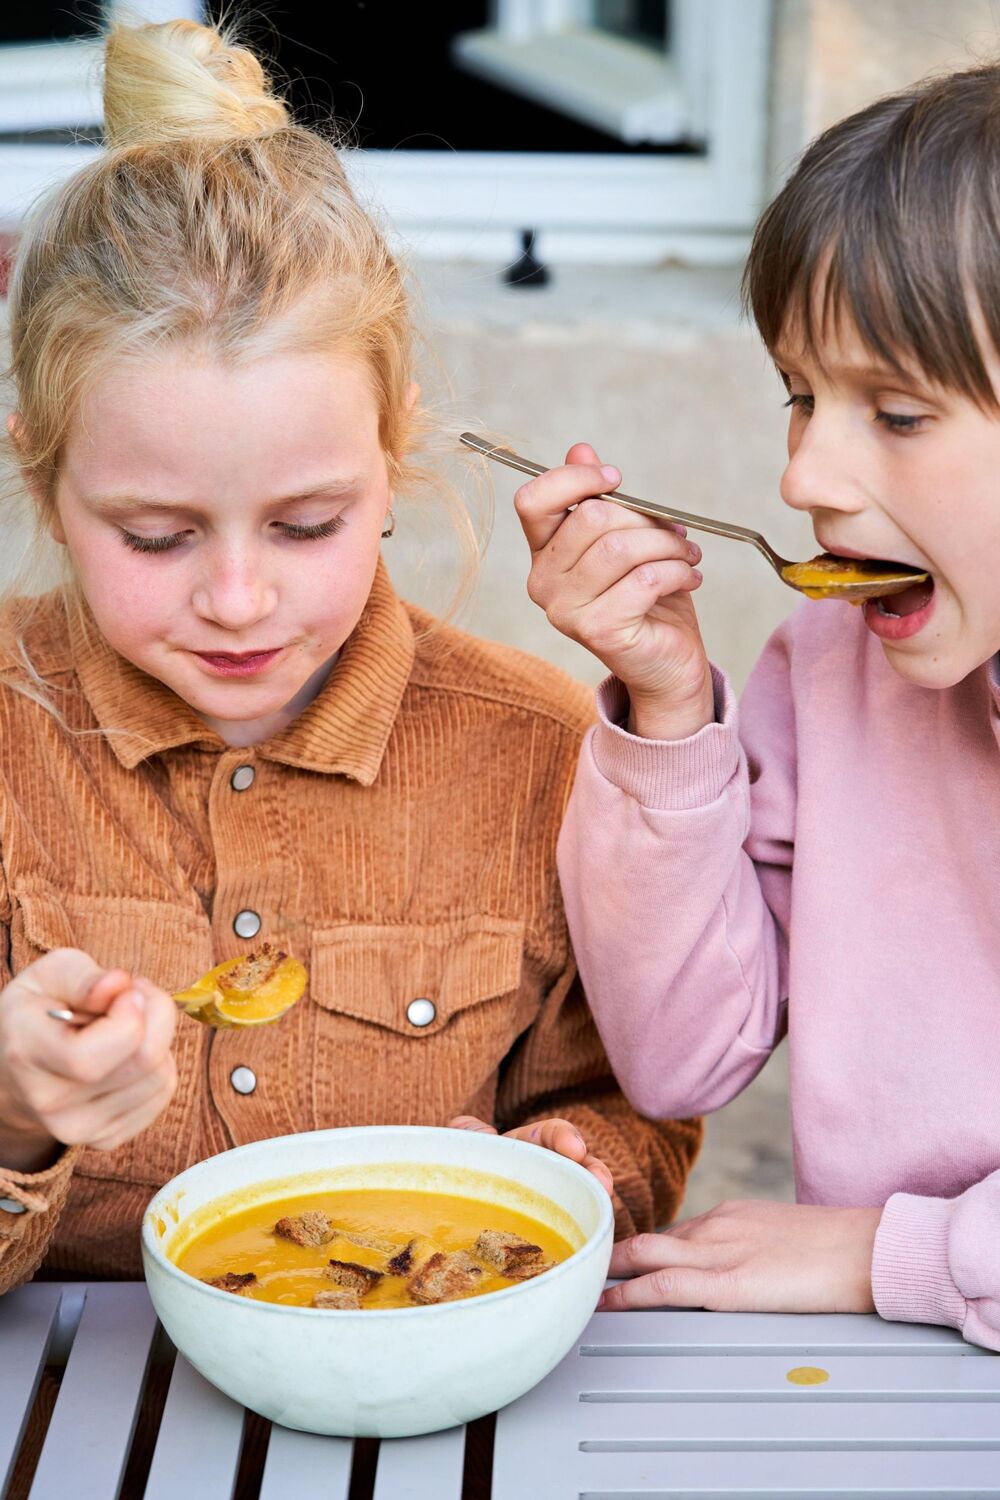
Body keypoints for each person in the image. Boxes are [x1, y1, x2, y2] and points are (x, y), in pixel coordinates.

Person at [0, 19, 701, 1295]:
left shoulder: (535, 750)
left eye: (306, 524)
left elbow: (631, 1104)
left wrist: (574, 1162)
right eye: (156, 536)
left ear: (394, 451)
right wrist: (13, 1119)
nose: (236, 596)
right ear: (47, 484)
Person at [515, 63, 1000, 1350]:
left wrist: (896, 1255)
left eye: (895, 411)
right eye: (800, 394)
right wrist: (669, 715)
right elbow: (685, 1059)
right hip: (886, 1372)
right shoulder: (828, 668)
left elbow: (886, 1261)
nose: (803, 477)